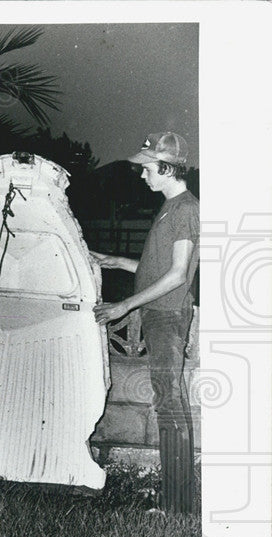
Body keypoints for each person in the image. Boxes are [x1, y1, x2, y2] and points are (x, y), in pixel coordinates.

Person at [91, 132, 199, 513]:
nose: (142, 175)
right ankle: (176, 498)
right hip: (160, 315)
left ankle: (178, 504)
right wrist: (118, 262)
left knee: (170, 406)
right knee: (167, 404)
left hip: (168, 317)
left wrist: (123, 306)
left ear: (167, 168)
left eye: (148, 168)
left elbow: (177, 276)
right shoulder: (170, 207)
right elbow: (158, 269)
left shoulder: (184, 208)